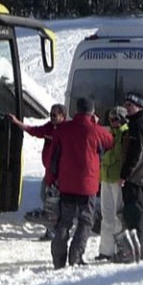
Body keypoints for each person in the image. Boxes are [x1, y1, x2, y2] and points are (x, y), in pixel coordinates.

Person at [46, 98, 113, 268]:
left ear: (76, 110)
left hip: (66, 185)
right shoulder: (95, 130)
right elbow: (110, 142)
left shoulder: (63, 129)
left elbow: (52, 157)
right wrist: (94, 123)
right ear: (91, 112)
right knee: (85, 222)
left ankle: (58, 260)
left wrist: (51, 180)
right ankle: (75, 257)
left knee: (64, 222)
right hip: (87, 186)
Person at [9, 104, 67, 241]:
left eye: (54, 115)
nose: (51, 117)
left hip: (59, 174)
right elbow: (33, 130)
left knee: (53, 202)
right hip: (49, 172)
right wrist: (17, 123)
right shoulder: (49, 127)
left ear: (62, 116)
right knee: (45, 197)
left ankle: (55, 231)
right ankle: (53, 229)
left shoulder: (67, 130)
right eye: (50, 114)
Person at [117, 93, 143, 263]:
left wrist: (124, 175)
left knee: (134, 217)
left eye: (130, 105)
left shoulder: (138, 125)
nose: (127, 108)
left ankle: (137, 254)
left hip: (136, 177)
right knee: (141, 216)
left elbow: (135, 153)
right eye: (125, 104)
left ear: (139, 106)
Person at [95, 106, 133, 263]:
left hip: (118, 179)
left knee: (118, 216)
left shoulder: (125, 134)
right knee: (106, 215)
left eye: (116, 119)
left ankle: (121, 249)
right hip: (106, 177)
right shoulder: (109, 133)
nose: (113, 122)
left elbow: (118, 155)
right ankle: (105, 250)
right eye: (111, 119)